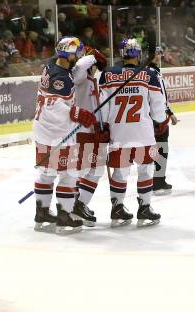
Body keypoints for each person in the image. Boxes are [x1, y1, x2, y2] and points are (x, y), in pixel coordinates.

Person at [99, 38, 169, 227]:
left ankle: (117, 208)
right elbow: (157, 107)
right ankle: (145, 207)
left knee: (120, 173)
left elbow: (102, 110)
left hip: (119, 135)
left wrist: (104, 126)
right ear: (138, 54)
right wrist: (162, 121)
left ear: (122, 53)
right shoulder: (149, 75)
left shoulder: (107, 74)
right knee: (146, 170)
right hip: (144, 135)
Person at [33, 37, 96, 235]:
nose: (78, 55)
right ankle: (64, 215)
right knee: (68, 174)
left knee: (46, 172)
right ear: (67, 54)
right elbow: (53, 104)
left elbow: (74, 67)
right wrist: (76, 113)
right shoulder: (61, 79)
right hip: (57, 134)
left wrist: (90, 57)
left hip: (43, 131)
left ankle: (42, 213)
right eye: (76, 52)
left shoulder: (52, 64)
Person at [71, 46, 108, 227]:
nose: (95, 69)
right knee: (94, 170)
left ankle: (76, 205)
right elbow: (78, 67)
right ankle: (79, 205)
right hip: (85, 131)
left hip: (92, 130)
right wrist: (92, 55)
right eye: (94, 65)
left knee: (87, 171)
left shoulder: (90, 79)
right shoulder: (80, 78)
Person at [149, 47, 179, 195]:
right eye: (156, 54)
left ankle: (158, 180)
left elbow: (162, 98)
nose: (159, 56)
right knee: (156, 150)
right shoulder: (148, 73)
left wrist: (170, 112)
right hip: (153, 120)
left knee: (161, 150)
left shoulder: (156, 72)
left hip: (159, 118)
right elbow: (153, 99)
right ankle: (155, 181)